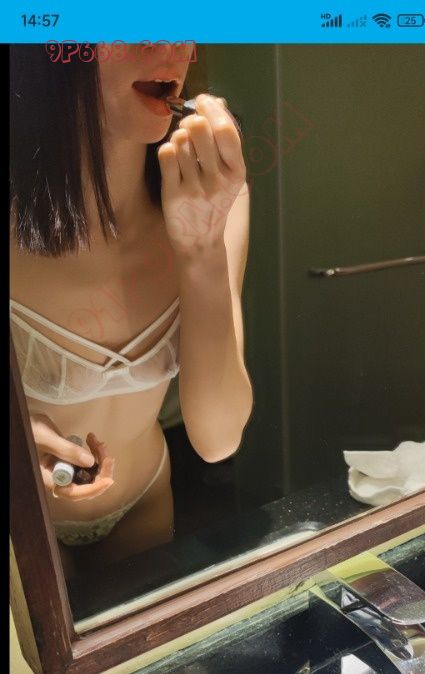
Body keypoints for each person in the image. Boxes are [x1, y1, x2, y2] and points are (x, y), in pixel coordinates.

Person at [10, 42, 253, 572]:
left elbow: (218, 439)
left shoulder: (216, 194)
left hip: (146, 497)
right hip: (22, 517)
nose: (173, 44)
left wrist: (201, 250)